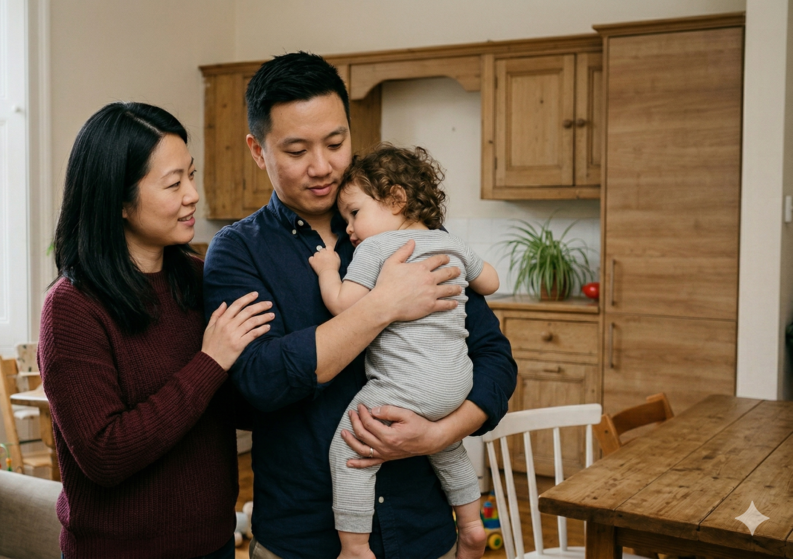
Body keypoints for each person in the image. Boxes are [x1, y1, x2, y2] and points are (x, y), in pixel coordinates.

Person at [203, 52, 517, 559]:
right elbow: (260, 381)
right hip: (304, 540)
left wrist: (438, 433)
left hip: (423, 531)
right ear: (258, 151)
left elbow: (494, 358)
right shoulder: (239, 251)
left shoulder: (410, 230)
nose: (322, 167)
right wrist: (382, 306)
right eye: (297, 150)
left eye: (335, 143)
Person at [38, 102, 273, 558]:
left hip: (215, 543)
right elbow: (105, 455)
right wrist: (210, 362)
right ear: (119, 201)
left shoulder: (201, 277)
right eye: (173, 183)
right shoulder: (71, 308)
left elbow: (233, 407)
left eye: (192, 175)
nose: (193, 195)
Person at [309, 144, 499, 559]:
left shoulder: (377, 249)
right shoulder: (449, 243)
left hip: (409, 383)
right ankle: (471, 526)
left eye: (354, 213)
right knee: (444, 446)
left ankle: (354, 547)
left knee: (350, 445)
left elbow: (343, 305)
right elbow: (491, 282)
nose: (350, 229)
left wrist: (328, 270)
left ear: (395, 199)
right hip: (456, 382)